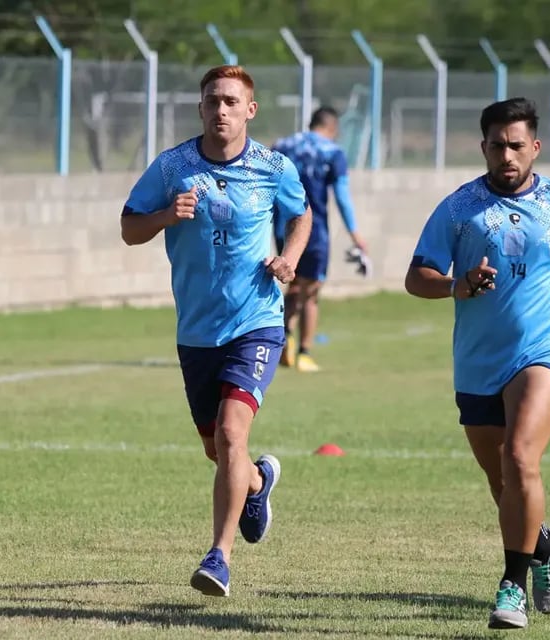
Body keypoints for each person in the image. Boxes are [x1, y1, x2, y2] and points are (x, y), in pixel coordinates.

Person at [403, 97, 550, 630]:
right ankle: (545, 544)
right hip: (479, 360)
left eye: (516, 145)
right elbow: (416, 276)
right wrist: (457, 285)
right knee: (504, 482)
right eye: (496, 145)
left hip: (546, 349)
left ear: (535, 147)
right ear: (483, 148)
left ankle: (511, 588)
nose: (507, 155)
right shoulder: (458, 209)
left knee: (521, 458)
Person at [120, 65, 312, 597]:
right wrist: (165, 215)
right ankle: (256, 481)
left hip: (257, 322)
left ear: (250, 109)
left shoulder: (274, 167)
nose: (220, 110)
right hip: (196, 332)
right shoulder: (172, 167)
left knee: (232, 433)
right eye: (212, 101)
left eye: (231, 101)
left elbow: (301, 216)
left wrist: (289, 258)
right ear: (201, 108)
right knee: (220, 450)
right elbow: (129, 227)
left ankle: (218, 557)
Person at [272, 107, 369, 372]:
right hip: (312, 231)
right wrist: (355, 234)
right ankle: (304, 352)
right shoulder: (332, 152)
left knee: (291, 285)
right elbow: (342, 196)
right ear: (333, 127)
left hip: (282, 228)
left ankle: (284, 341)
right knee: (311, 292)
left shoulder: (282, 145)